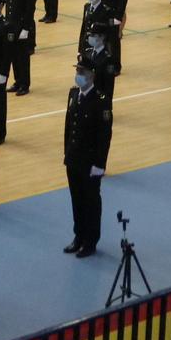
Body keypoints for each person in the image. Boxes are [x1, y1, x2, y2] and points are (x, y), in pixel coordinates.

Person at [61, 58, 112, 257]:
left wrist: (100, 164)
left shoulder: (100, 101)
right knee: (76, 199)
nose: (78, 76)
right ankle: (78, 236)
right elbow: (68, 126)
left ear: (91, 75)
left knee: (90, 201)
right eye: (78, 71)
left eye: (82, 72)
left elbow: (104, 136)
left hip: (90, 162)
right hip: (73, 158)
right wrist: (67, 152)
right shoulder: (74, 94)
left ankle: (90, 241)